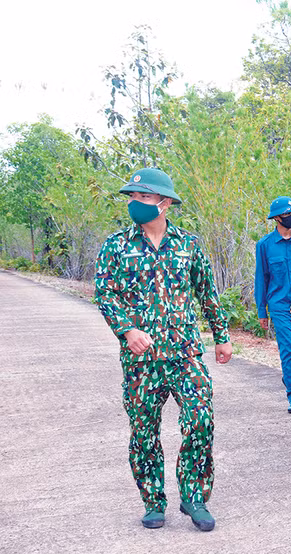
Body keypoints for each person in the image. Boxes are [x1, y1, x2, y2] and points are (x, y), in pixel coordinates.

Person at [94, 167, 232, 532]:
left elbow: (207, 293)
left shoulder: (189, 245)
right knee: (143, 432)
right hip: (142, 359)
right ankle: (154, 501)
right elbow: (105, 294)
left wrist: (221, 335)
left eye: (144, 198)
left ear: (165, 202)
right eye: (132, 198)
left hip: (186, 352)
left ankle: (194, 496)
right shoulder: (117, 246)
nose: (135, 204)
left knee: (201, 419)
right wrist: (126, 330)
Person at [254, 196, 291, 414]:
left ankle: (290, 377)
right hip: (279, 305)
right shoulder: (265, 246)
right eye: (287, 215)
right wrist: (262, 311)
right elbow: (262, 278)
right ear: (277, 218)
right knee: (288, 348)